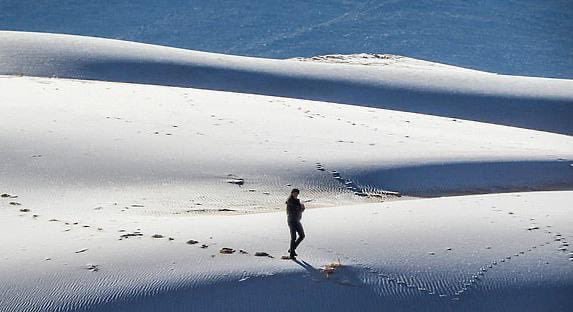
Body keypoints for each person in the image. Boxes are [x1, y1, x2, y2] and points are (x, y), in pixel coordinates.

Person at [286, 188, 305, 259]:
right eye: (294, 193)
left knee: (302, 235)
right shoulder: (290, 201)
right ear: (292, 193)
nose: (296, 194)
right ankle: (291, 254)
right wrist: (301, 207)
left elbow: (299, 210)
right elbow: (294, 210)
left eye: (297, 193)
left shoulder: (297, 201)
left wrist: (302, 208)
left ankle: (292, 249)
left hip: (297, 220)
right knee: (293, 237)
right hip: (291, 221)